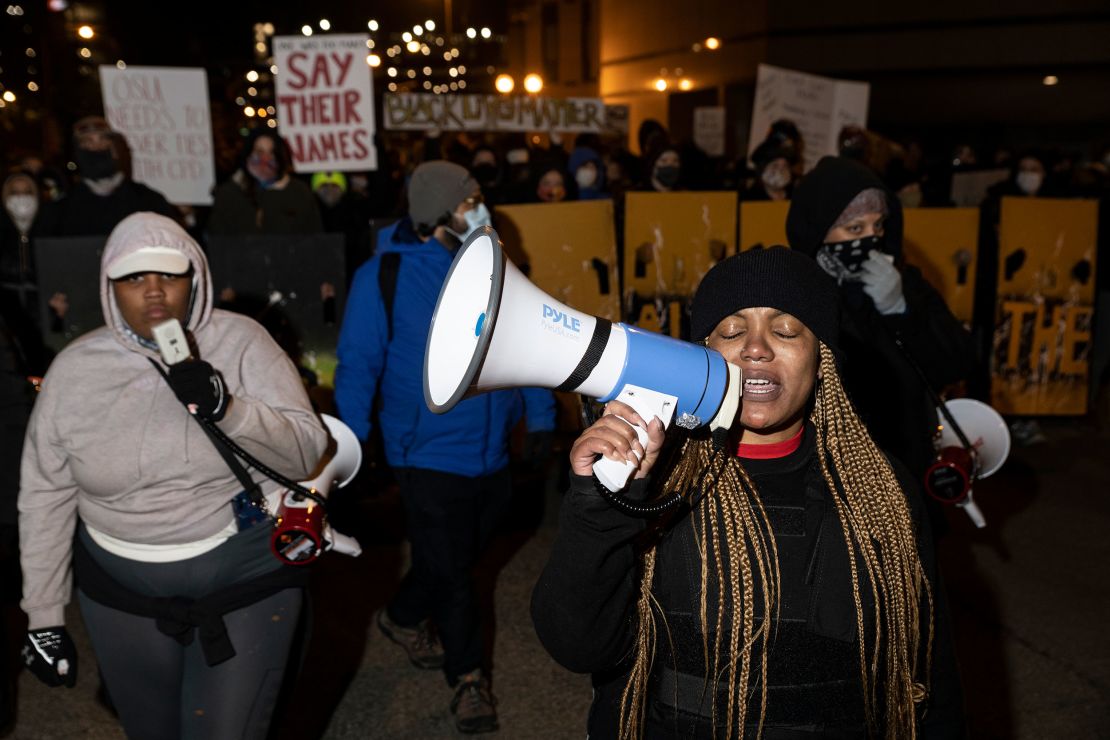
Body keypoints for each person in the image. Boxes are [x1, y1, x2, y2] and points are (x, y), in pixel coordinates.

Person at [532, 247, 963, 738]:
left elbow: (933, 674)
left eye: (785, 331)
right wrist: (600, 506)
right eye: (733, 331)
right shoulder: (653, 485)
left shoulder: (882, 491)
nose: (756, 348)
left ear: (822, 360)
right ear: (703, 355)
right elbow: (576, 646)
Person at [18, 212, 328, 739]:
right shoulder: (74, 371)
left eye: (169, 275)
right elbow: (44, 495)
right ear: (110, 286)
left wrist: (227, 407)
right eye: (134, 278)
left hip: (243, 581)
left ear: (196, 278)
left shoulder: (242, 341)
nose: (154, 291)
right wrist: (43, 616)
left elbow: (307, 453)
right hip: (122, 593)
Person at [335, 161, 555, 734]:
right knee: (455, 573)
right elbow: (359, 364)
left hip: (491, 452)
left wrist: (540, 416)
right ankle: (468, 680)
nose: (481, 208)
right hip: (424, 452)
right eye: (470, 200)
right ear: (438, 215)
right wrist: (353, 444)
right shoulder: (383, 275)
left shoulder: (496, 264)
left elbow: (528, 340)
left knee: (457, 554)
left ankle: (402, 615)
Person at [786, 157, 975, 524]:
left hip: (907, 472)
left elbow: (959, 360)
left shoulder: (906, 282)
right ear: (818, 233)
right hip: (829, 487)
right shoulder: (797, 294)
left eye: (878, 224)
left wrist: (901, 310)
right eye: (853, 227)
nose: (870, 238)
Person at [37, 117, 179, 236]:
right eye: (88, 142)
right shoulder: (60, 211)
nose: (97, 148)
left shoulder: (149, 201)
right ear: (78, 152)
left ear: (115, 149)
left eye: (103, 141)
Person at [208, 129, 322, 235]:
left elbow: (314, 236)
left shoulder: (299, 192)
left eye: (271, 153)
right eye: (259, 152)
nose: (265, 159)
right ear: (248, 155)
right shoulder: (228, 194)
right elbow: (218, 239)